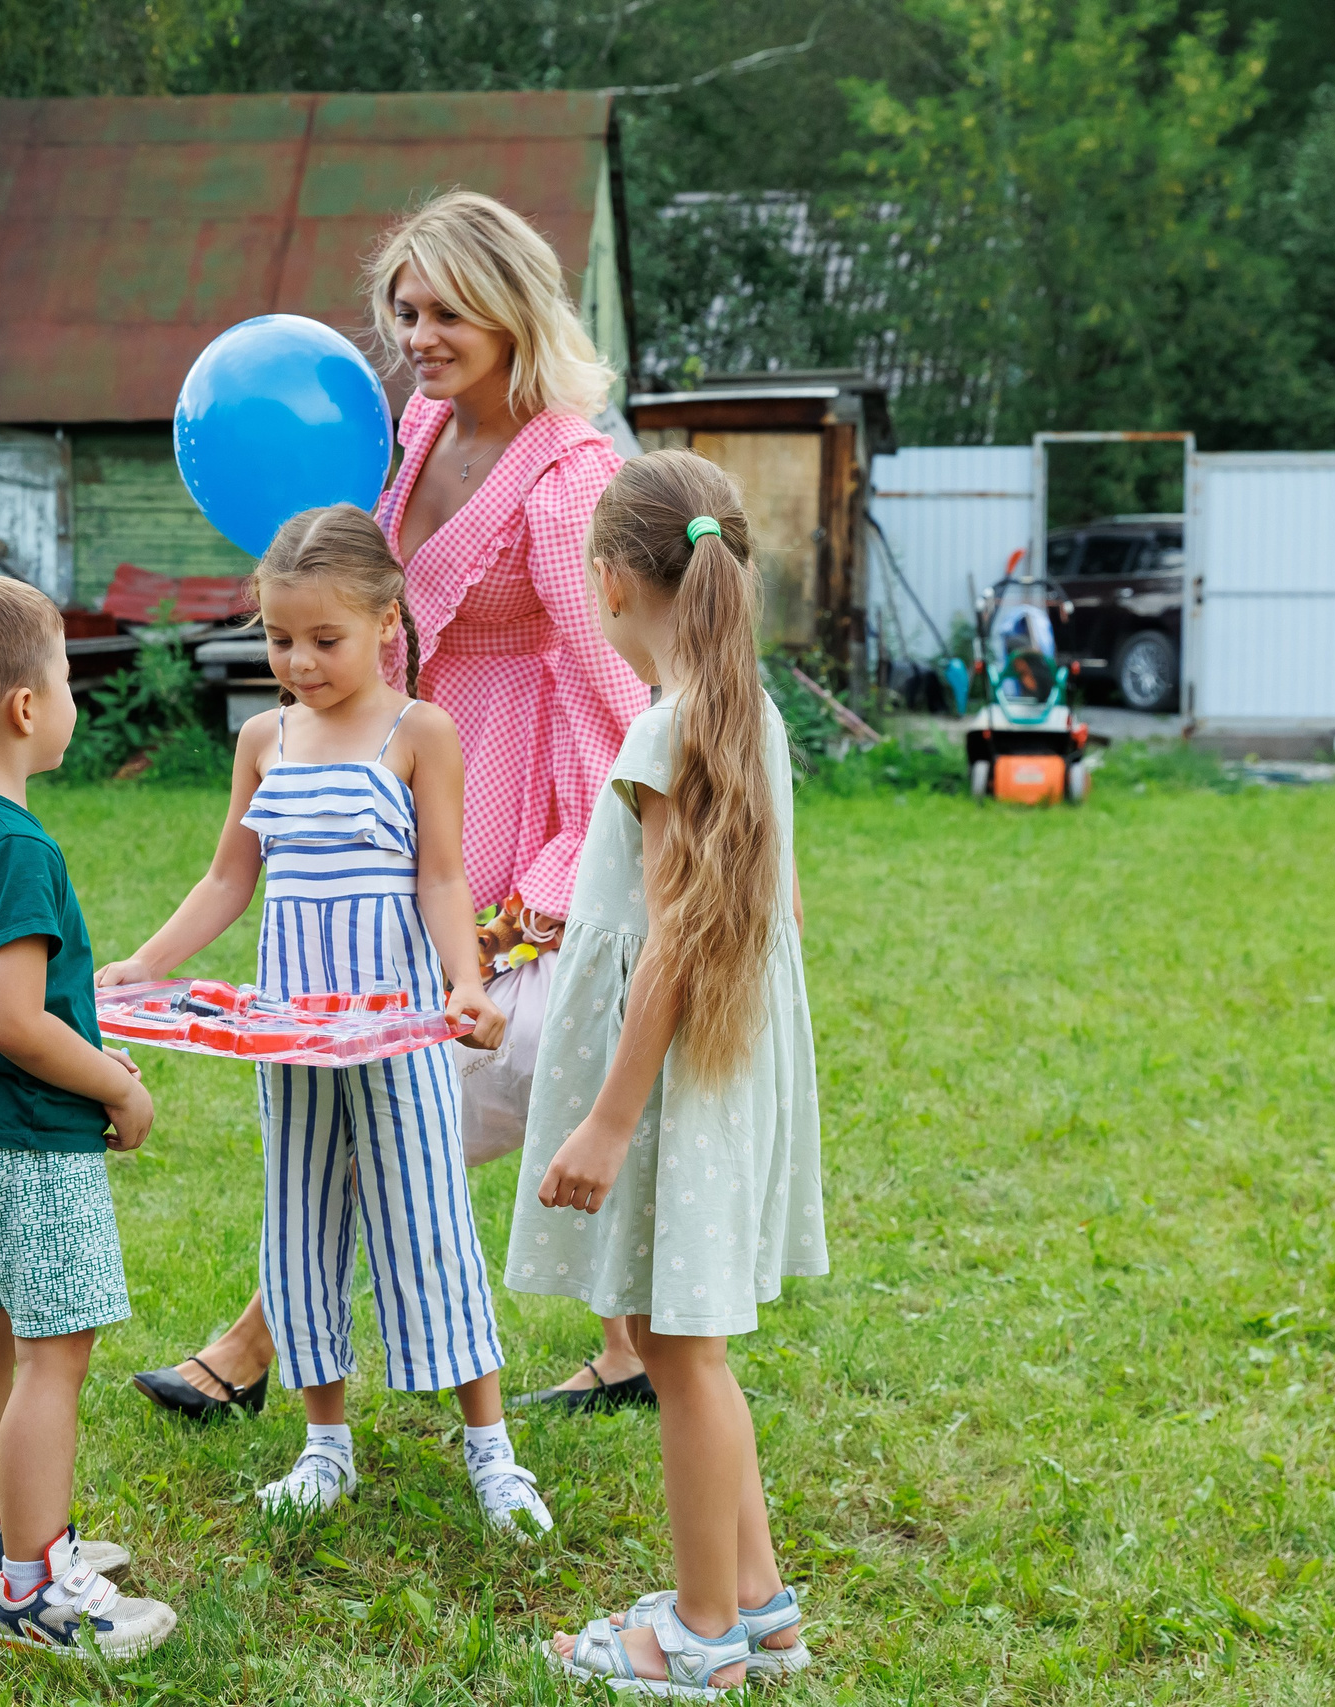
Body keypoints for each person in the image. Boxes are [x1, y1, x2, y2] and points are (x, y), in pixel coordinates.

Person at [132, 188, 652, 1424]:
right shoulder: (414, 426)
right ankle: (626, 1347)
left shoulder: (573, 472)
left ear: (510, 305)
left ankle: (254, 1345)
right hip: (417, 773)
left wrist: (669, 821)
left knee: (440, 1073)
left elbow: (616, 672)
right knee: (468, 1066)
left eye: (446, 309)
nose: (418, 334)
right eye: (403, 309)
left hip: (543, 790)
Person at [96, 507, 550, 1534]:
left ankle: (491, 1450)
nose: (297, 662)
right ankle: (323, 1445)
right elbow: (227, 880)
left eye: (323, 640)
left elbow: (442, 876)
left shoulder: (419, 731)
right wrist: (147, 963)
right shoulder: (262, 739)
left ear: (388, 621)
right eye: (277, 638)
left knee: (427, 1223)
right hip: (288, 1033)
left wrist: (465, 985)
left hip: (395, 1028)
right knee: (298, 1226)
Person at [515, 452, 827, 1694]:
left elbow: (676, 946)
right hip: (718, 1073)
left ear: (605, 583)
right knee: (681, 1336)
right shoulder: (745, 712)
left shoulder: (665, 726)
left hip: (670, 1083)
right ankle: (759, 1607)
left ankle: (697, 1636)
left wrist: (603, 1120)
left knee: (677, 1349)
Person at [0, 570, 174, 1660]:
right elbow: (16, 1019)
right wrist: (115, 1081)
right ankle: (33, 1591)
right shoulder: (16, 847)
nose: (71, 700)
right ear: (22, 707)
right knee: (55, 1357)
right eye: (62, 680)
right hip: (28, 1144)